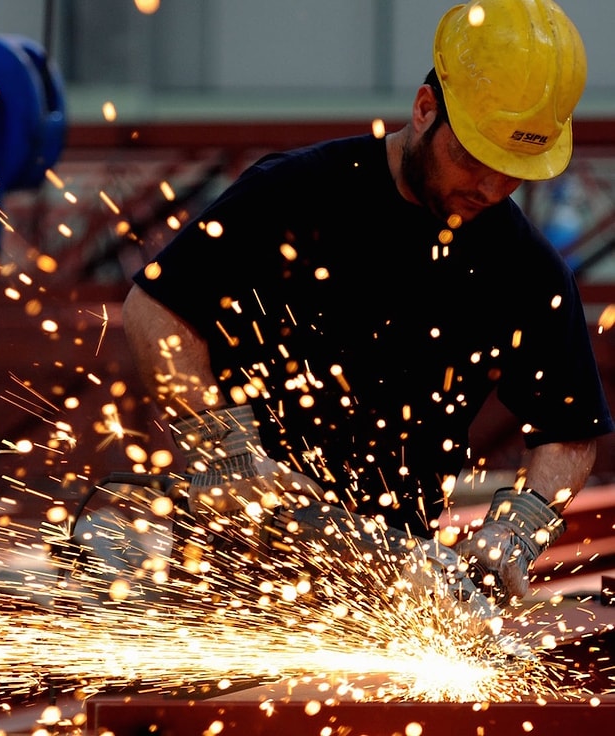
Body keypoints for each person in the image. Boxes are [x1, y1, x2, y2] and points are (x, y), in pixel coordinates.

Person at [121, 0, 613, 607]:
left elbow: (569, 430)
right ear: (425, 109)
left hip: (394, 591)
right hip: (230, 566)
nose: (489, 188)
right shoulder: (294, 194)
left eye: (512, 172)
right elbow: (155, 308)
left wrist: (516, 530)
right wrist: (222, 444)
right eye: (473, 159)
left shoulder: (526, 269)